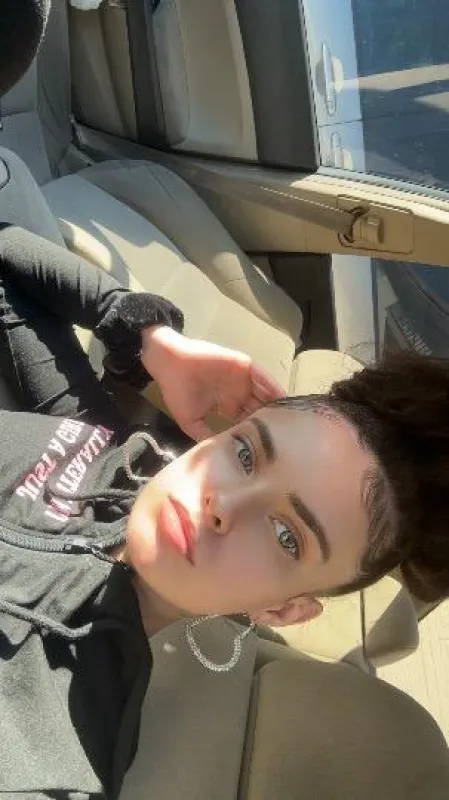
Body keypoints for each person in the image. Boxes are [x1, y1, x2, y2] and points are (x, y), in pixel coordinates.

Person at [1, 216, 449, 798]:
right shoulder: (111, 449)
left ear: (282, 610)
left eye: (287, 536)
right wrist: (153, 339)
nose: (222, 503)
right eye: (245, 453)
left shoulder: (55, 745)